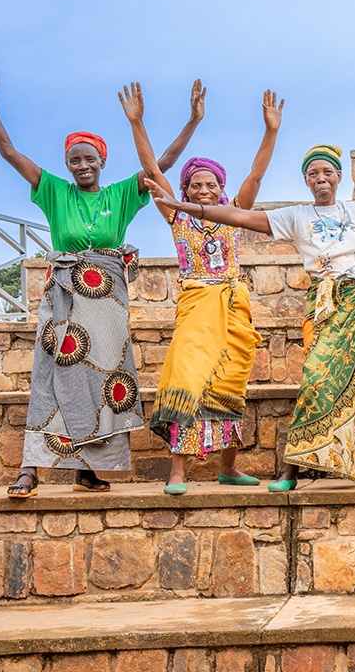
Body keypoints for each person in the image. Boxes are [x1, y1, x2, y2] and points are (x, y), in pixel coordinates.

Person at [0, 60, 204, 498]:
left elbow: (164, 164)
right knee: (50, 373)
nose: (82, 165)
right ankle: (31, 469)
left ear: (103, 161)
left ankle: (87, 470)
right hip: (64, 295)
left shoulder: (120, 194)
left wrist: (191, 120)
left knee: (105, 378)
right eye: (74, 159)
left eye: (89, 158)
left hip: (106, 301)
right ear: (66, 164)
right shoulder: (53, 190)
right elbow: (9, 153)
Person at [147, 140, 355, 491]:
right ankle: (286, 472)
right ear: (306, 181)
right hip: (317, 302)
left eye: (327, 172)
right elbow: (234, 211)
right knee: (312, 382)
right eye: (313, 173)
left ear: (339, 177)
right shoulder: (291, 216)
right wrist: (185, 203)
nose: (321, 178)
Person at [129, 85, 281, 494]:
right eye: (195, 185)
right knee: (188, 377)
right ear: (184, 191)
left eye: (210, 184)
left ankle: (228, 468)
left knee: (231, 382)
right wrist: (136, 121)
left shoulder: (233, 214)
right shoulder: (177, 217)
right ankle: (177, 470)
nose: (203, 190)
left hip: (233, 306)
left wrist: (271, 131)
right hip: (198, 302)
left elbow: (256, 175)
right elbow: (151, 170)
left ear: (221, 188)